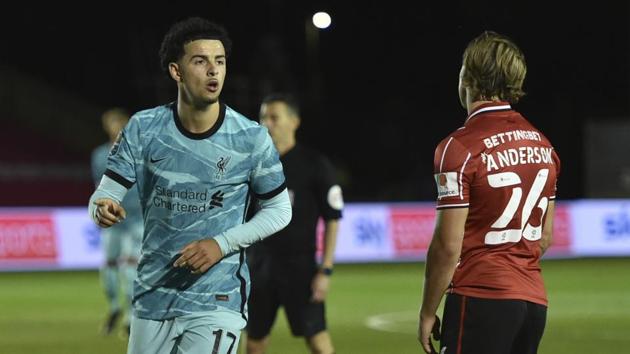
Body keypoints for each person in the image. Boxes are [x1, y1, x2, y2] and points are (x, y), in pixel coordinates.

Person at [88, 17, 292, 354]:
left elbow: (280, 209)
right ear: (176, 71)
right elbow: (105, 193)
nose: (213, 70)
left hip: (217, 298)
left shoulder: (250, 138)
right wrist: (102, 208)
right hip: (152, 296)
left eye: (220, 61)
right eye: (200, 61)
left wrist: (220, 244)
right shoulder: (144, 128)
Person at [418, 31, 561, 354]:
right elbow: (544, 237)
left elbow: (446, 245)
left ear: (467, 76)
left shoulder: (459, 147)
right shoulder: (544, 146)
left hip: (480, 299)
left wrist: (428, 311)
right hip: (533, 304)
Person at [245, 93, 343, 354]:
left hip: (299, 268)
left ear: (294, 121)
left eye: (274, 117)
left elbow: (333, 219)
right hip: (258, 265)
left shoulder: (314, 165)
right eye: (264, 116)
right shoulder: (252, 165)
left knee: (317, 340)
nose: (267, 123)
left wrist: (326, 270)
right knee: (254, 342)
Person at [90, 108, 143, 337]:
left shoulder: (140, 154)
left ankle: (131, 318)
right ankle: (114, 308)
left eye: (121, 124)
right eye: (113, 124)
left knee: (131, 269)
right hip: (112, 221)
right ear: (107, 126)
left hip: (137, 218)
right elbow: (98, 187)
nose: (117, 128)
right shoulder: (99, 155)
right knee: (109, 267)